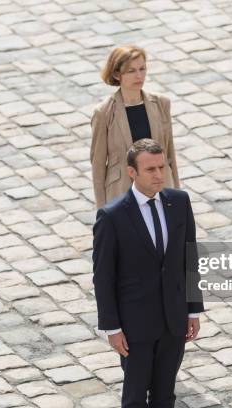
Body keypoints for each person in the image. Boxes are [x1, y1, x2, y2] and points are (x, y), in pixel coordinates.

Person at [92, 139, 203, 407]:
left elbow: (190, 259)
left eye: (161, 167)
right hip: (135, 327)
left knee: (165, 395)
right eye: (150, 169)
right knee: (134, 397)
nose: (159, 175)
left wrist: (193, 311)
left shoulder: (179, 202)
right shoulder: (112, 216)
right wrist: (112, 327)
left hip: (174, 321)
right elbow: (103, 277)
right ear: (132, 172)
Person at [90, 45, 180, 208]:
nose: (139, 76)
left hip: (160, 188)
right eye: (131, 71)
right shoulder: (103, 113)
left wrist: (177, 196)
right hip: (123, 193)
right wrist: (102, 211)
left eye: (142, 69)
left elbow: (170, 154)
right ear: (117, 74)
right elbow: (98, 166)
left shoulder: (161, 104)